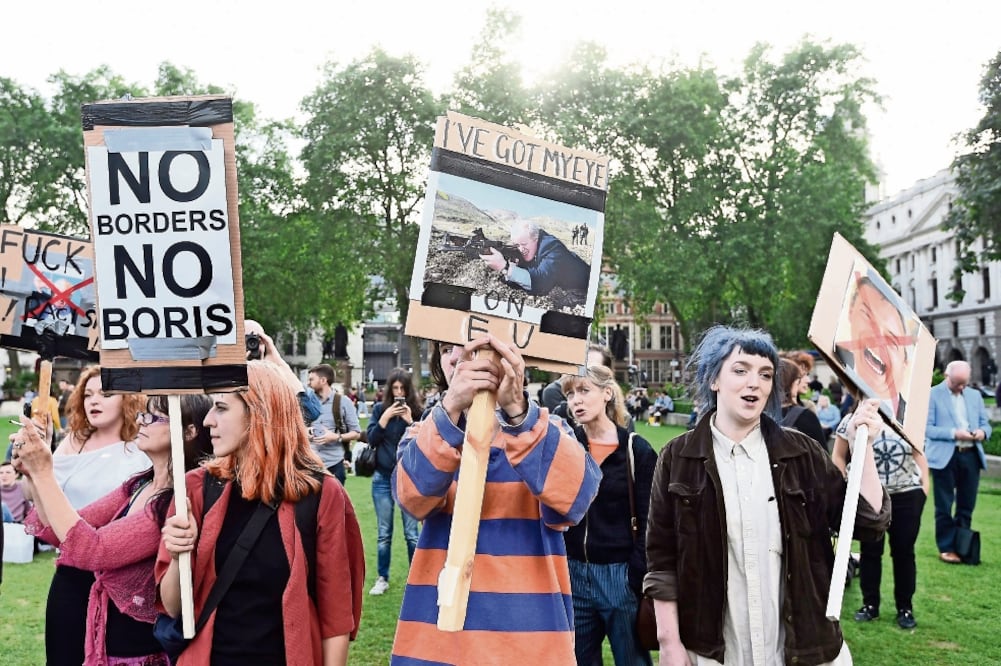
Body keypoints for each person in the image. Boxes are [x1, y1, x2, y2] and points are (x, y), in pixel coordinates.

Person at [644, 325, 890, 665]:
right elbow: (662, 559)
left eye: (765, 374)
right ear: (714, 379)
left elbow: (867, 523)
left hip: (802, 647)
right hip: (718, 650)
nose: (754, 383)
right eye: (740, 370)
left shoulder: (802, 452)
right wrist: (669, 642)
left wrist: (866, 447)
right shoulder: (677, 458)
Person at [390, 335, 602, 665]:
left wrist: (517, 412)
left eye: (474, 347)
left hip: (528, 645)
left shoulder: (549, 429)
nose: (459, 357)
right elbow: (413, 499)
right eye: (447, 350)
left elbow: (575, 499)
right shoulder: (423, 434)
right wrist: (450, 412)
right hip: (438, 647)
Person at [157, 359, 365, 665]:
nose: (207, 421)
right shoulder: (195, 490)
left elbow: (336, 613)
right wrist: (178, 556)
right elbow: (173, 606)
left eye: (221, 408)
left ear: (259, 413)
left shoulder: (322, 495)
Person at [13, 393, 212, 665]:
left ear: (189, 432)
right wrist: (34, 473)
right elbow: (62, 531)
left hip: (135, 649)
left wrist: (45, 471)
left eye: (154, 417)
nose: (142, 422)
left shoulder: (175, 501)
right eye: (144, 414)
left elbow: (93, 549)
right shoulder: (139, 484)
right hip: (105, 633)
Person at [22, 365, 149, 665]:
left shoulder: (142, 447)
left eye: (105, 394)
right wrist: (31, 469)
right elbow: (39, 498)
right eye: (88, 394)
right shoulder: (72, 442)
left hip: (118, 575)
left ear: (127, 399)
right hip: (69, 570)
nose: (94, 401)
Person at [561, 365, 656, 665]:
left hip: (619, 574)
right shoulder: (567, 447)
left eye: (584, 390)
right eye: (570, 393)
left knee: (632, 660)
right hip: (574, 572)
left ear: (607, 393)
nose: (576, 400)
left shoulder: (635, 449)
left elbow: (652, 521)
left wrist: (633, 575)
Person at [833, 408, 929, 629]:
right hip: (869, 497)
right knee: (870, 552)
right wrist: (845, 482)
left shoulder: (906, 419)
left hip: (907, 495)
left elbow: (919, 453)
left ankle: (905, 608)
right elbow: (838, 455)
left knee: (904, 552)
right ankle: (870, 605)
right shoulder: (853, 418)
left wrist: (924, 487)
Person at [925, 360, 991, 564]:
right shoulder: (932, 394)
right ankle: (946, 547)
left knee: (966, 505)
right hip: (946, 456)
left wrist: (982, 432)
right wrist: (954, 433)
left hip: (970, 455)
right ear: (947, 376)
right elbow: (927, 429)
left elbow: (985, 424)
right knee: (944, 505)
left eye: (964, 383)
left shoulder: (974, 395)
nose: (961, 387)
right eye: (957, 383)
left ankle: (963, 546)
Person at [366, 368, 422, 596]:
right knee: (384, 532)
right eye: (395, 388)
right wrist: (384, 418)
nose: (399, 393)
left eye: (403, 389)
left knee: (412, 533)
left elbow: (427, 443)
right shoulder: (380, 410)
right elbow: (370, 439)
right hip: (382, 477)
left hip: (408, 477)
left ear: (408, 391)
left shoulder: (418, 412)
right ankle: (382, 577)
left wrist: (411, 421)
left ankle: (416, 578)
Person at [834, 274, 913, 423]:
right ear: (851, 311)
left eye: (892, 341)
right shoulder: (849, 419)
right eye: (868, 317)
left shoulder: (911, 423)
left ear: (905, 363)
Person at [481, 218, 591, 296]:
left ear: (536, 239)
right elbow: (522, 280)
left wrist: (505, 267)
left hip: (588, 285)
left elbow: (541, 283)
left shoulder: (552, 248)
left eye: (524, 244)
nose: (520, 249)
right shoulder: (532, 249)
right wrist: (511, 269)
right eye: (516, 245)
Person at [307, 363, 362, 484]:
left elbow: (357, 433)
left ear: (323, 380)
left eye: (311, 379)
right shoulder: (306, 402)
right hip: (311, 464)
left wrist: (336, 437)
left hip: (335, 464)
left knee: (335, 503)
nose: (308, 383)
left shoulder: (343, 402)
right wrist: (306, 432)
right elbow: (296, 428)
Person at [778, 358, 827, 449]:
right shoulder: (805, 415)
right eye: (801, 376)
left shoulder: (758, 414)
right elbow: (823, 457)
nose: (807, 380)